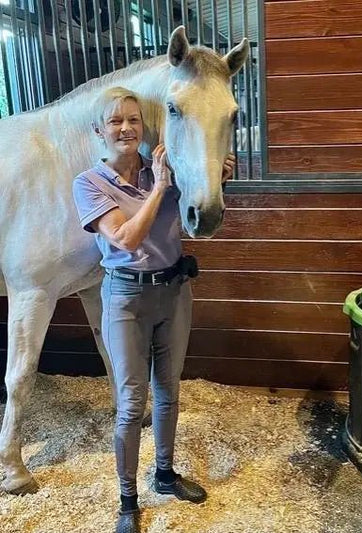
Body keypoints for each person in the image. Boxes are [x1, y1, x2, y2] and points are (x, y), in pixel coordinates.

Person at [72, 87, 235, 533]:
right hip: (125, 298)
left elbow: (194, 215)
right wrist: (161, 187)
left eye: (133, 120)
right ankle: (128, 498)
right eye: (115, 122)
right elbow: (123, 239)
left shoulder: (163, 169)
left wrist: (215, 178)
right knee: (130, 404)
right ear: (99, 131)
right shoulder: (90, 183)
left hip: (174, 291)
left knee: (169, 391)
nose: (126, 128)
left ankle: (164, 473)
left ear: (143, 127)